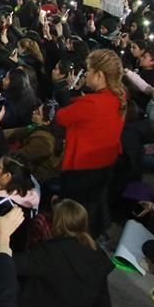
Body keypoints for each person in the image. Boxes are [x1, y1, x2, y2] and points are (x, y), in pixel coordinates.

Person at [10, 199, 114, 307]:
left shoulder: (49, 253)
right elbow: (103, 303)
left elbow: (10, 265)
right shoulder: (96, 257)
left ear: (57, 222)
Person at [55, 49, 125, 238]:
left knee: (75, 211)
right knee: (93, 204)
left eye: (88, 70)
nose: (85, 73)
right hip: (105, 162)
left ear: (99, 75)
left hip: (81, 167)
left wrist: (73, 91)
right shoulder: (120, 96)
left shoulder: (91, 104)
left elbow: (61, 117)